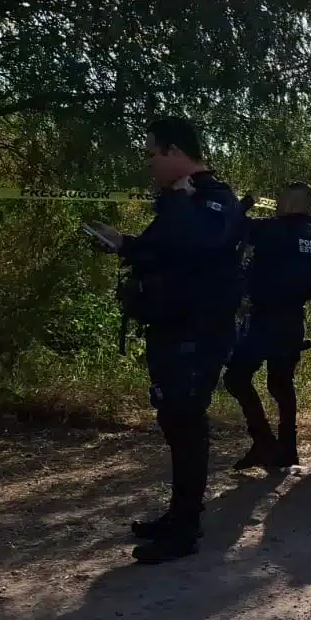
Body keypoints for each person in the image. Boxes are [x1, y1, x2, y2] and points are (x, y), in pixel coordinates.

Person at [89, 117, 246, 564]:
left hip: (198, 332)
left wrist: (180, 201)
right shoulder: (179, 202)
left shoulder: (214, 200)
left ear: (176, 152)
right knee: (175, 424)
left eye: (153, 154)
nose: (149, 164)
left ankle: (186, 529)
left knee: (187, 422)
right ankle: (178, 517)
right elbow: (162, 251)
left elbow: (204, 242)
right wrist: (122, 244)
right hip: (171, 328)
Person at [222, 181, 311, 473]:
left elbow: (235, 224)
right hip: (292, 320)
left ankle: (263, 440)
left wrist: (244, 202)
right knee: (281, 383)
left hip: (263, 319)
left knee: (236, 378)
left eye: (280, 200)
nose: (276, 204)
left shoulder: (271, 231)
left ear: (287, 205)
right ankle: (288, 447)